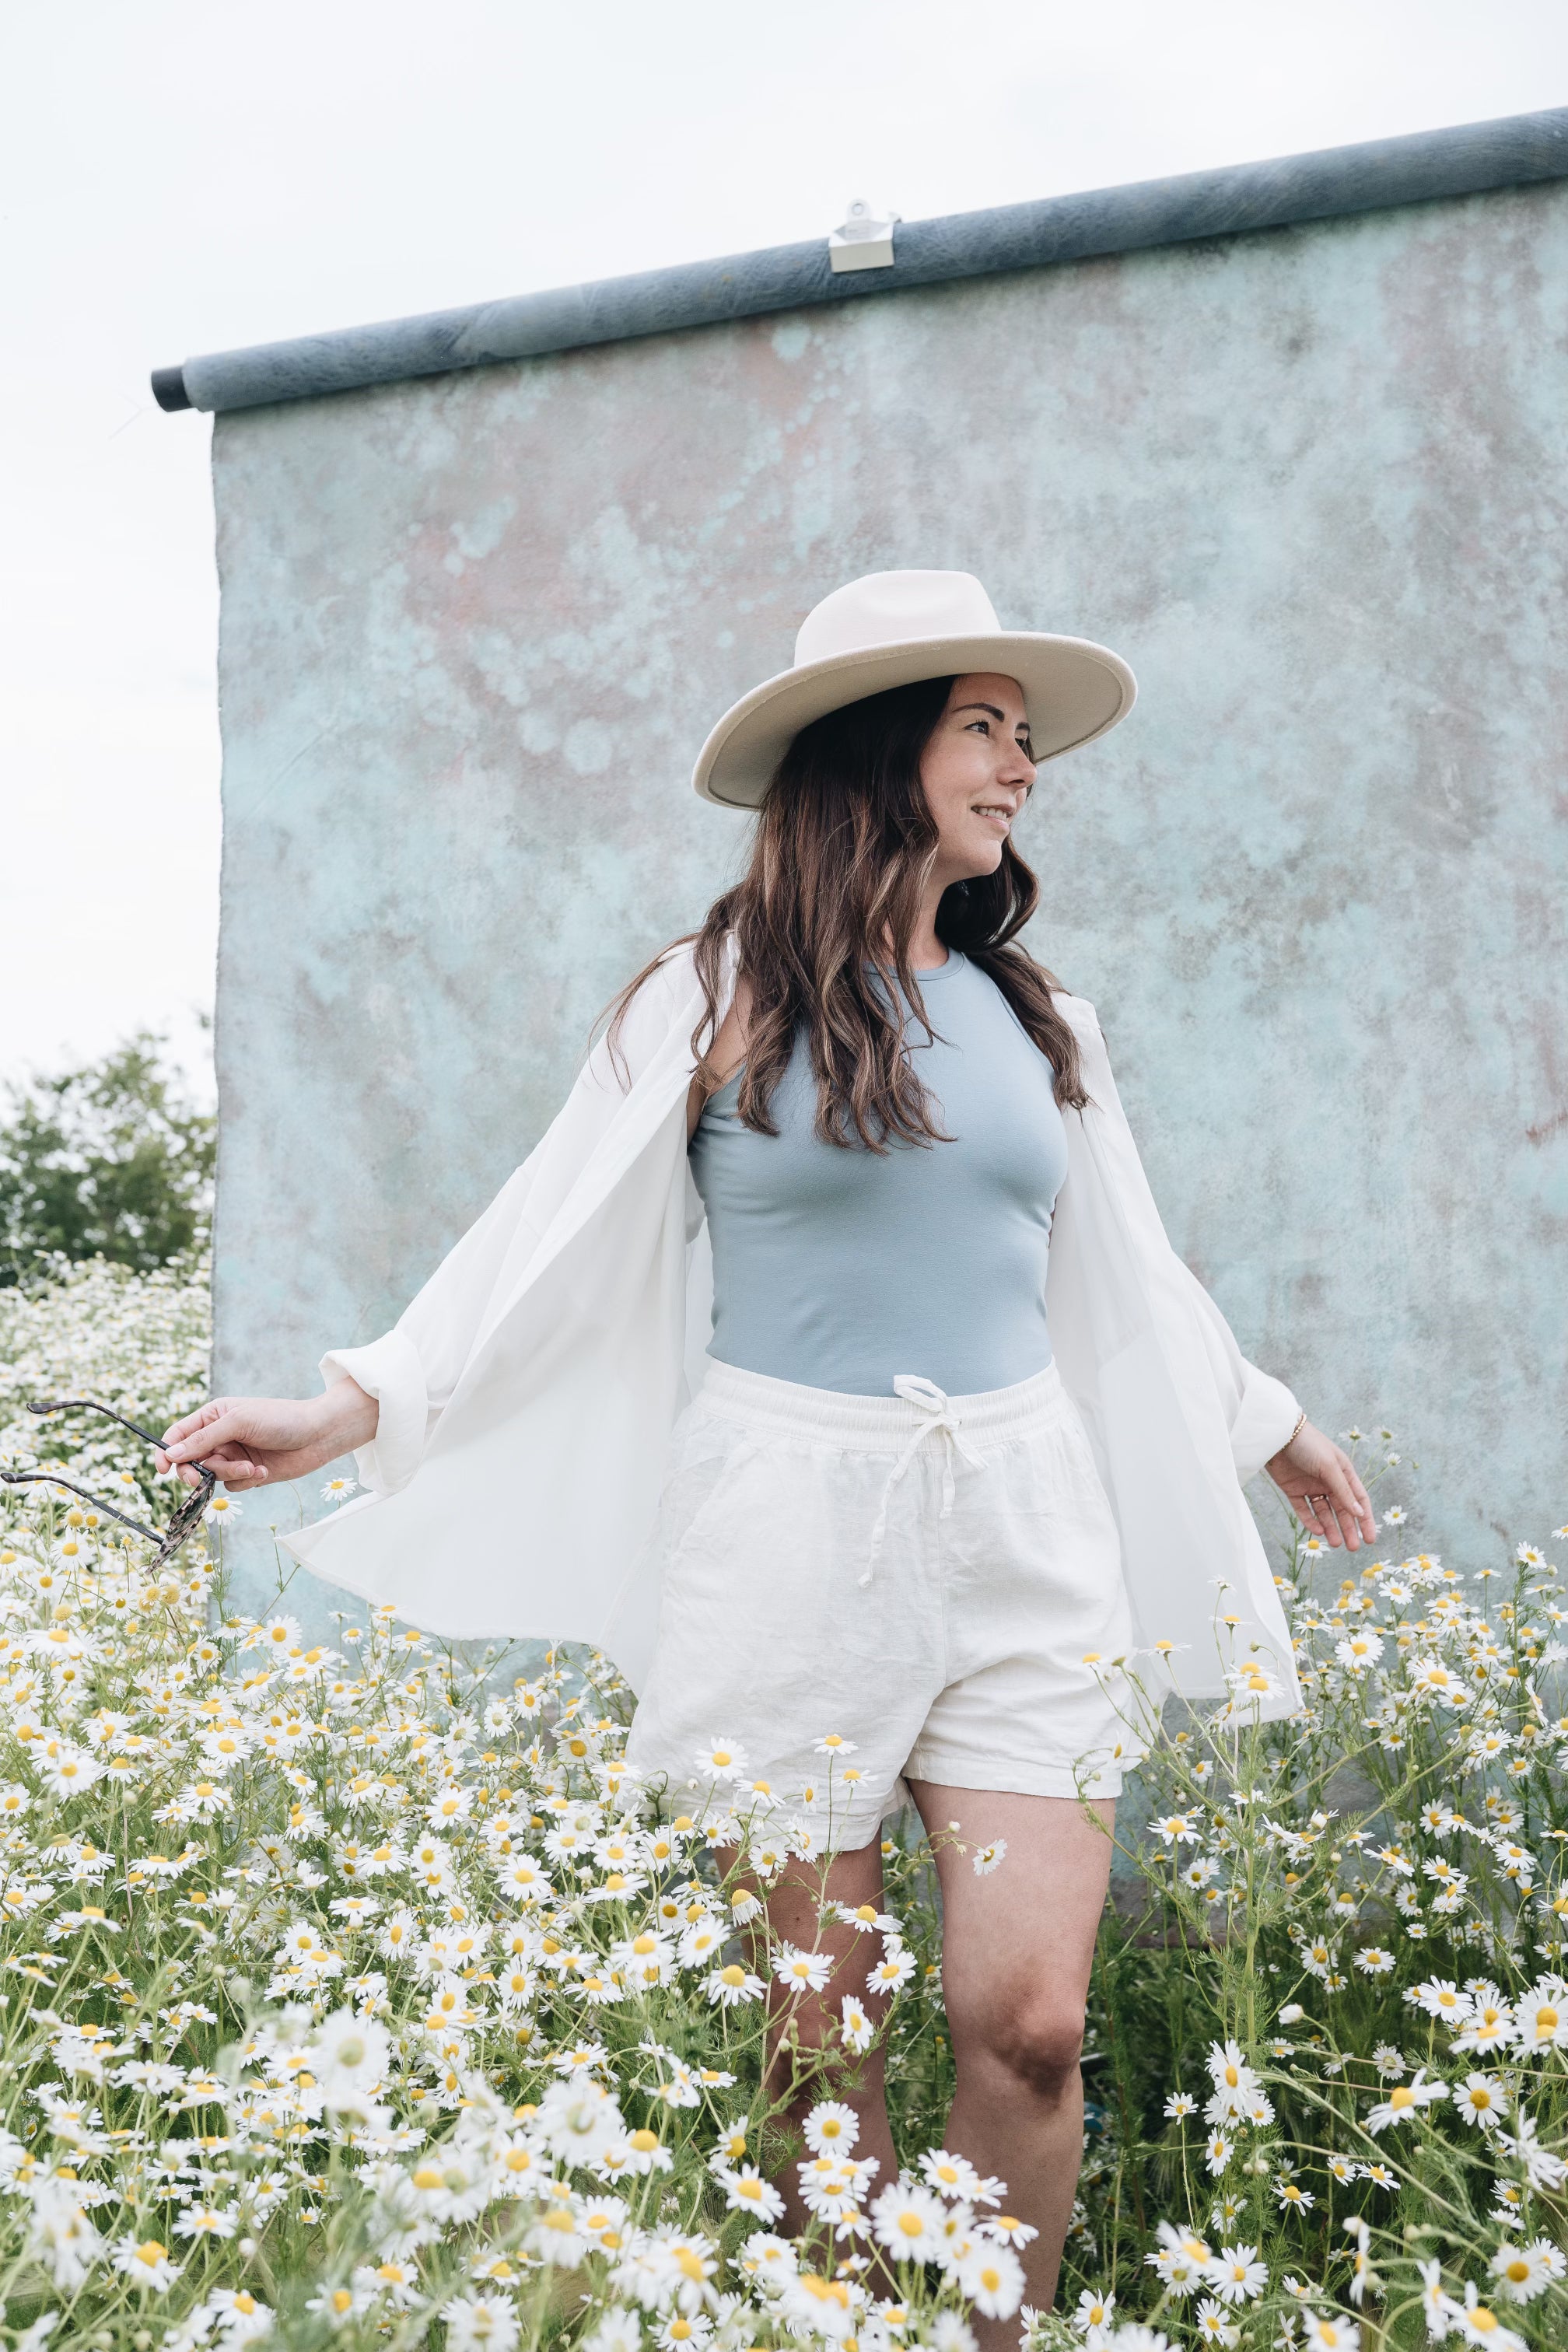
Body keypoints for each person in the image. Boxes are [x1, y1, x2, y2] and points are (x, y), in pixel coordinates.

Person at [158, 568, 1374, 2323]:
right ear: (878, 747)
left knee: (1027, 2032)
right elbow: (540, 1236)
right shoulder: (712, 991)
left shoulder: (1041, 1020)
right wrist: (356, 1404)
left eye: (1029, 740)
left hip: (1027, 1520)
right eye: (986, 727)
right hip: (786, 1527)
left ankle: (988, 2332)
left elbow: (1133, 1277)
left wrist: (1271, 1425)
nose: (1022, 766)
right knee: (824, 2044)